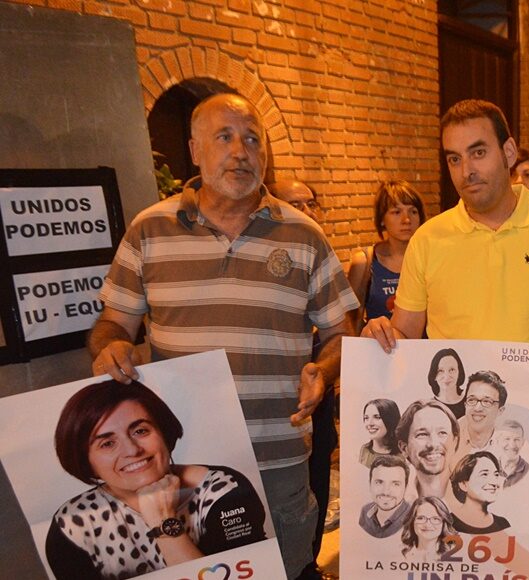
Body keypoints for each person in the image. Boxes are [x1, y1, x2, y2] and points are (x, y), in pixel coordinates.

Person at [87, 93, 358, 580]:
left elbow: (341, 331)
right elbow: (114, 324)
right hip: (183, 464)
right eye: (225, 137)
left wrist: (324, 370)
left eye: (253, 140)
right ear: (195, 150)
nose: (240, 152)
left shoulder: (305, 235)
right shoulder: (149, 230)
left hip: (278, 458)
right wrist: (110, 347)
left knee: (288, 570)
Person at [362, 99, 529, 580]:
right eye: (453, 158)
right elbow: (405, 331)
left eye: (478, 152)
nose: (466, 170)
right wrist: (379, 334)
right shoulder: (429, 239)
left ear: (508, 151)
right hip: (455, 438)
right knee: (457, 562)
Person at [46, 379, 266, 580]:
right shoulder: (73, 524)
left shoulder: (225, 490)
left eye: (140, 431)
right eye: (107, 444)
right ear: (85, 460)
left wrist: (163, 523)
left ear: (163, 431)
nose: (132, 450)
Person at [268, 178, 339, 580]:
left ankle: (308, 561)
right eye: (296, 203)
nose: (307, 211)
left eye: (312, 203)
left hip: (315, 372)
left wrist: (326, 370)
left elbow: (339, 329)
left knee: (318, 463)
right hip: (276, 390)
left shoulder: (315, 246)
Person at [346, 180, 426, 333]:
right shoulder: (364, 261)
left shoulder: (431, 258)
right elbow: (351, 321)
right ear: (382, 219)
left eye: (413, 212)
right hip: (380, 345)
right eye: (396, 212)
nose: (406, 220)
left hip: (424, 346)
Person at [396, 399, 460, 499]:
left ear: (454, 443)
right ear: (404, 448)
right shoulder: (394, 500)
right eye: (422, 434)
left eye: (442, 433)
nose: (433, 444)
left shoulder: (473, 495)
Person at [449, 451, 510, 534]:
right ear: (463, 484)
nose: (494, 482)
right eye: (484, 474)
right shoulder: (447, 523)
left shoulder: (502, 524)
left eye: (496, 475)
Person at [455, 370, 507, 459]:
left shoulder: (508, 445)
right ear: (465, 405)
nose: (477, 408)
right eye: (472, 400)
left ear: (500, 410)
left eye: (487, 401)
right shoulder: (447, 440)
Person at [358, 455, 412, 539]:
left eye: (395, 484)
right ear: (370, 484)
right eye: (379, 482)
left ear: (406, 487)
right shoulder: (365, 511)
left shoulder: (413, 518)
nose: (386, 492)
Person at [400, 496, 459, 562]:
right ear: (412, 522)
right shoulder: (401, 556)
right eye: (421, 518)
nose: (427, 524)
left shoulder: (456, 555)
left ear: (444, 524)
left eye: (435, 519)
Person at [360, 398, 402, 468]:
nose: (369, 423)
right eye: (366, 418)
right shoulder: (365, 450)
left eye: (377, 417)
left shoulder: (402, 455)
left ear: (390, 421)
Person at [427, 348, 468, 419]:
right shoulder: (429, 408)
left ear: (459, 372)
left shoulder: (470, 402)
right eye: (440, 371)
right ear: (434, 376)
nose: (446, 376)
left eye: (452, 370)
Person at [493, 419, 529, 487]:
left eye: (517, 439)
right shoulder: (490, 467)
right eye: (507, 439)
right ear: (497, 441)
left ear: (523, 442)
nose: (512, 445)